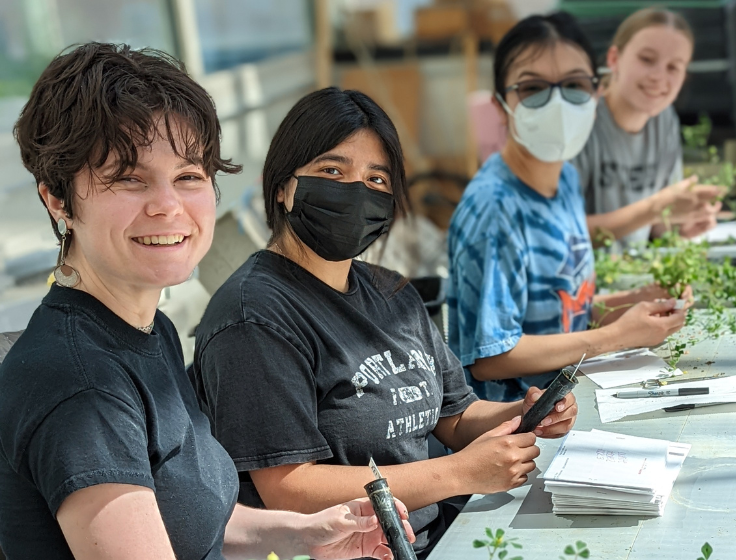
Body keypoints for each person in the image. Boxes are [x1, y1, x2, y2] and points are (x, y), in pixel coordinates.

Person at [0, 43, 412, 560]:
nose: (167, 206)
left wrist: (306, 532)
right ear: (57, 198)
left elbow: (193, 513)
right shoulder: (82, 387)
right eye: (129, 177)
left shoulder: (150, 330)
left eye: (188, 177)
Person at [189, 87, 578, 559]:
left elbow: (454, 417)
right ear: (282, 187)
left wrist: (525, 413)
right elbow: (288, 489)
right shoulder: (254, 317)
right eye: (333, 171)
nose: (357, 191)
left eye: (377, 179)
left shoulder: (391, 291)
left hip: (444, 538)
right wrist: (459, 473)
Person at [447, 12, 692, 403]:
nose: (558, 104)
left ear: (596, 94)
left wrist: (631, 304)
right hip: (516, 430)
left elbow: (559, 314)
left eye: (575, 85)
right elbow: (491, 356)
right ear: (500, 106)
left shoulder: (565, 181)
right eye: (533, 88)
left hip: (568, 403)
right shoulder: (496, 209)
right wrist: (618, 335)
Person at [573, 8, 724, 247]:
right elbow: (563, 232)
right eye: (646, 59)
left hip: (637, 273)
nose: (658, 77)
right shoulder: (580, 120)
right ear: (614, 59)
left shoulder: (664, 120)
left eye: (673, 67)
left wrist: (681, 224)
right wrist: (655, 208)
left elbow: (654, 225)